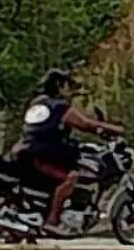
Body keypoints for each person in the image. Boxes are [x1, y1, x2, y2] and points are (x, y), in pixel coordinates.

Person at [12, 69, 123, 234]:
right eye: (67, 85)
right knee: (70, 177)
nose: (70, 89)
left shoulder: (38, 102)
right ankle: (53, 220)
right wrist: (114, 129)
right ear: (60, 86)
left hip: (25, 149)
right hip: (41, 154)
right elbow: (85, 124)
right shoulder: (59, 107)